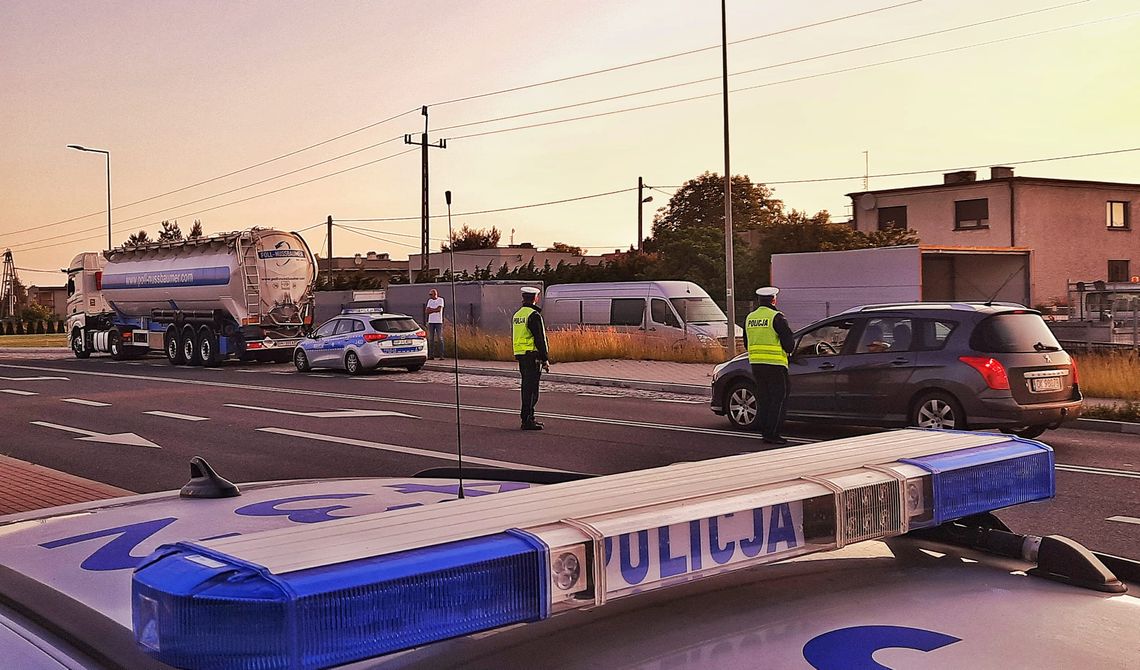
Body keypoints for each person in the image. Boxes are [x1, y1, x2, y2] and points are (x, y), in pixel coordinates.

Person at [742, 286, 795, 445]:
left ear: (759, 300)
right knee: (778, 399)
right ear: (774, 300)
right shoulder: (777, 317)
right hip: (776, 365)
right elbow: (789, 345)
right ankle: (772, 433)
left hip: (756, 365)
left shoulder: (750, 318)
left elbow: (746, 343)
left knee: (764, 399)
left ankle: (765, 431)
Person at [513, 286, 550, 431]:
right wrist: (545, 358)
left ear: (524, 298)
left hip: (521, 355)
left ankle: (527, 418)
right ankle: (528, 420)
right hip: (532, 356)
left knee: (526, 387)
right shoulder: (534, 315)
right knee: (532, 390)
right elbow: (540, 339)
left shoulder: (518, 315)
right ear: (536, 298)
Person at [424, 288, 445, 359]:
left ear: (435, 294)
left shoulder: (440, 300)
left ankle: (441, 355)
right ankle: (431, 355)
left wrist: (431, 310)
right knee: (431, 339)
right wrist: (434, 310)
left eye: (431, 294)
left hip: (438, 322)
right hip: (431, 322)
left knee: (440, 338)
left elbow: (439, 309)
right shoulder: (430, 301)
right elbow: (426, 311)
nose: (430, 296)